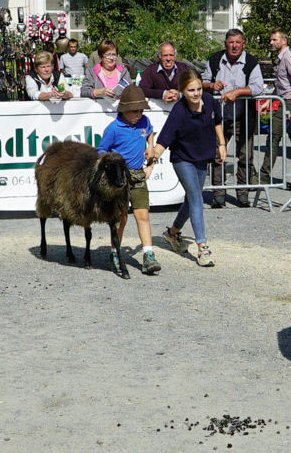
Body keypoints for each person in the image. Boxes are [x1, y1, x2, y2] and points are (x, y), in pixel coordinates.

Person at [154, 68, 225, 267]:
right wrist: (153, 157)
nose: (196, 94)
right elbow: (164, 139)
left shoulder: (210, 101)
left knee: (191, 199)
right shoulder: (179, 110)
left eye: (198, 89)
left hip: (202, 156)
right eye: (191, 90)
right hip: (182, 158)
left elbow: (217, 123)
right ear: (182, 91)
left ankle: (172, 233)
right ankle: (203, 248)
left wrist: (222, 145)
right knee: (196, 197)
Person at [98, 85, 161, 274]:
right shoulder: (114, 128)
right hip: (119, 179)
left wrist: (150, 146)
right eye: (135, 111)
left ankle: (148, 255)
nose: (139, 114)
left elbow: (150, 131)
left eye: (141, 110)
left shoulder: (144, 122)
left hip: (138, 175)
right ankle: (115, 252)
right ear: (124, 110)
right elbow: (101, 150)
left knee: (143, 215)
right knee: (121, 218)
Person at [202, 28, 266, 207]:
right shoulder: (215, 59)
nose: (235, 46)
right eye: (231, 42)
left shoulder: (251, 62)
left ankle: (243, 194)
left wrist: (237, 92)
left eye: (238, 42)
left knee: (245, 155)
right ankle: (219, 194)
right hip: (219, 117)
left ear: (243, 44)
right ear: (226, 44)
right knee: (217, 155)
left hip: (243, 117)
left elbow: (257, 87)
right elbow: (202, 81)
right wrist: (211, 85)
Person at [267, 29, 291, 179]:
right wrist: (270, 101)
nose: (271, 42)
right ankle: (264, 176)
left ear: (284, 41)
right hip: (284, 101)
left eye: (274, 40)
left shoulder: (289, 58)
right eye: (271, 40)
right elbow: (282, 85)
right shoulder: (280, 58)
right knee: (276, 138)